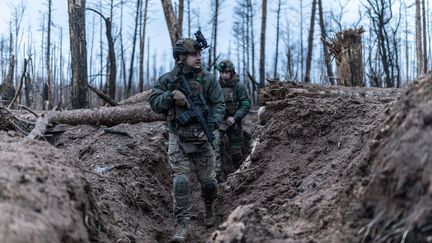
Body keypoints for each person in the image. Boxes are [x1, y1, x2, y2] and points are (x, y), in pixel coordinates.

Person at [149, 34, 225, 243]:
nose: (198, 57)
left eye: (199, 53)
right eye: (193, 54)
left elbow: (219, 105)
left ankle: (208, 207)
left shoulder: (208, 79)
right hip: (178, 138)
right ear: (181, 57)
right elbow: (154, 102)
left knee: (209, 184)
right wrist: (171, 95)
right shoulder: (167, 79)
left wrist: (210, 125)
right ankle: (183, 223)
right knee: (181, 181)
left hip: (202, 139)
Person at [213, 60, 251, 178]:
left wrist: (235, 117)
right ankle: (216, 175)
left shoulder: (238, 86)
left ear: (231, 72)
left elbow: (245, 104)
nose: (224, 75)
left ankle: (239, 173)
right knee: (215, 144)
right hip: (219, 120)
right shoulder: (216, 85)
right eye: (221, 72)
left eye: (226, 72)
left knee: (236, 149)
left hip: (233, 121)